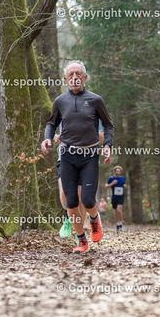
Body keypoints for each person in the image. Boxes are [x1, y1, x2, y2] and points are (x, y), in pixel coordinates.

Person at [42, 61, 114, 254]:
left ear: (84, 78)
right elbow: (51, 124)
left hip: (89, 155)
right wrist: (47, 138)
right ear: (66, 79)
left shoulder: (95, 100)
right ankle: (81, 240)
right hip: (67, 155)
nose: (75, 77)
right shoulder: (60, 101)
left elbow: (108, 125)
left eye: (78, 74)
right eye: (71, 74)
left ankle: (95, 219)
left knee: (88, 200)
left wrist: (107, 145)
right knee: (71, 201)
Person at [56, 123, 104, 239]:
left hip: (87, 159)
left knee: (82, 200)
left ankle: (80, 235)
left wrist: (84, 131)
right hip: (65, 157)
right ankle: (69, 217)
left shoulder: (92, 114)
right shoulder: (62, 112)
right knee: (64, 194)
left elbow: (101, 138)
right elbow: (51, 127)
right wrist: (54, 137)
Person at [104, 165, 126, 231]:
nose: (118, 172)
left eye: (119, 171)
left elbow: (124, 185)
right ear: (115, 172)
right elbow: (106, 187)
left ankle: (121, 223)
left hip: (121, 196)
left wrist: (125, 186)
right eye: (117, 171)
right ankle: (117, 224)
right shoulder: (111, 178)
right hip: (114, 197)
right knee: (116, 212)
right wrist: (112, 184)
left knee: (119, 210)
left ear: (120, 172)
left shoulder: (123, 178)